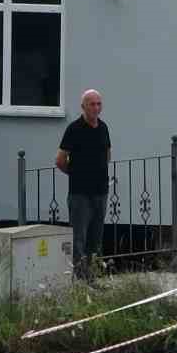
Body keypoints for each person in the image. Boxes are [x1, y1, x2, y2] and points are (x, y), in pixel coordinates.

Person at [55, 89, 112, 282]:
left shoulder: (103, 128)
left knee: (96, 239)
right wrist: (77, 174)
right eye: (92, 104)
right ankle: (80, 280)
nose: (96, 108)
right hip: (80, 194)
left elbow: (107, 155)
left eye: (98, 104)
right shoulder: (74, 129)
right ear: (83, 107)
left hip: (100, 192)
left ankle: (93, 278)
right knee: (79, 239)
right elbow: (60, 160)